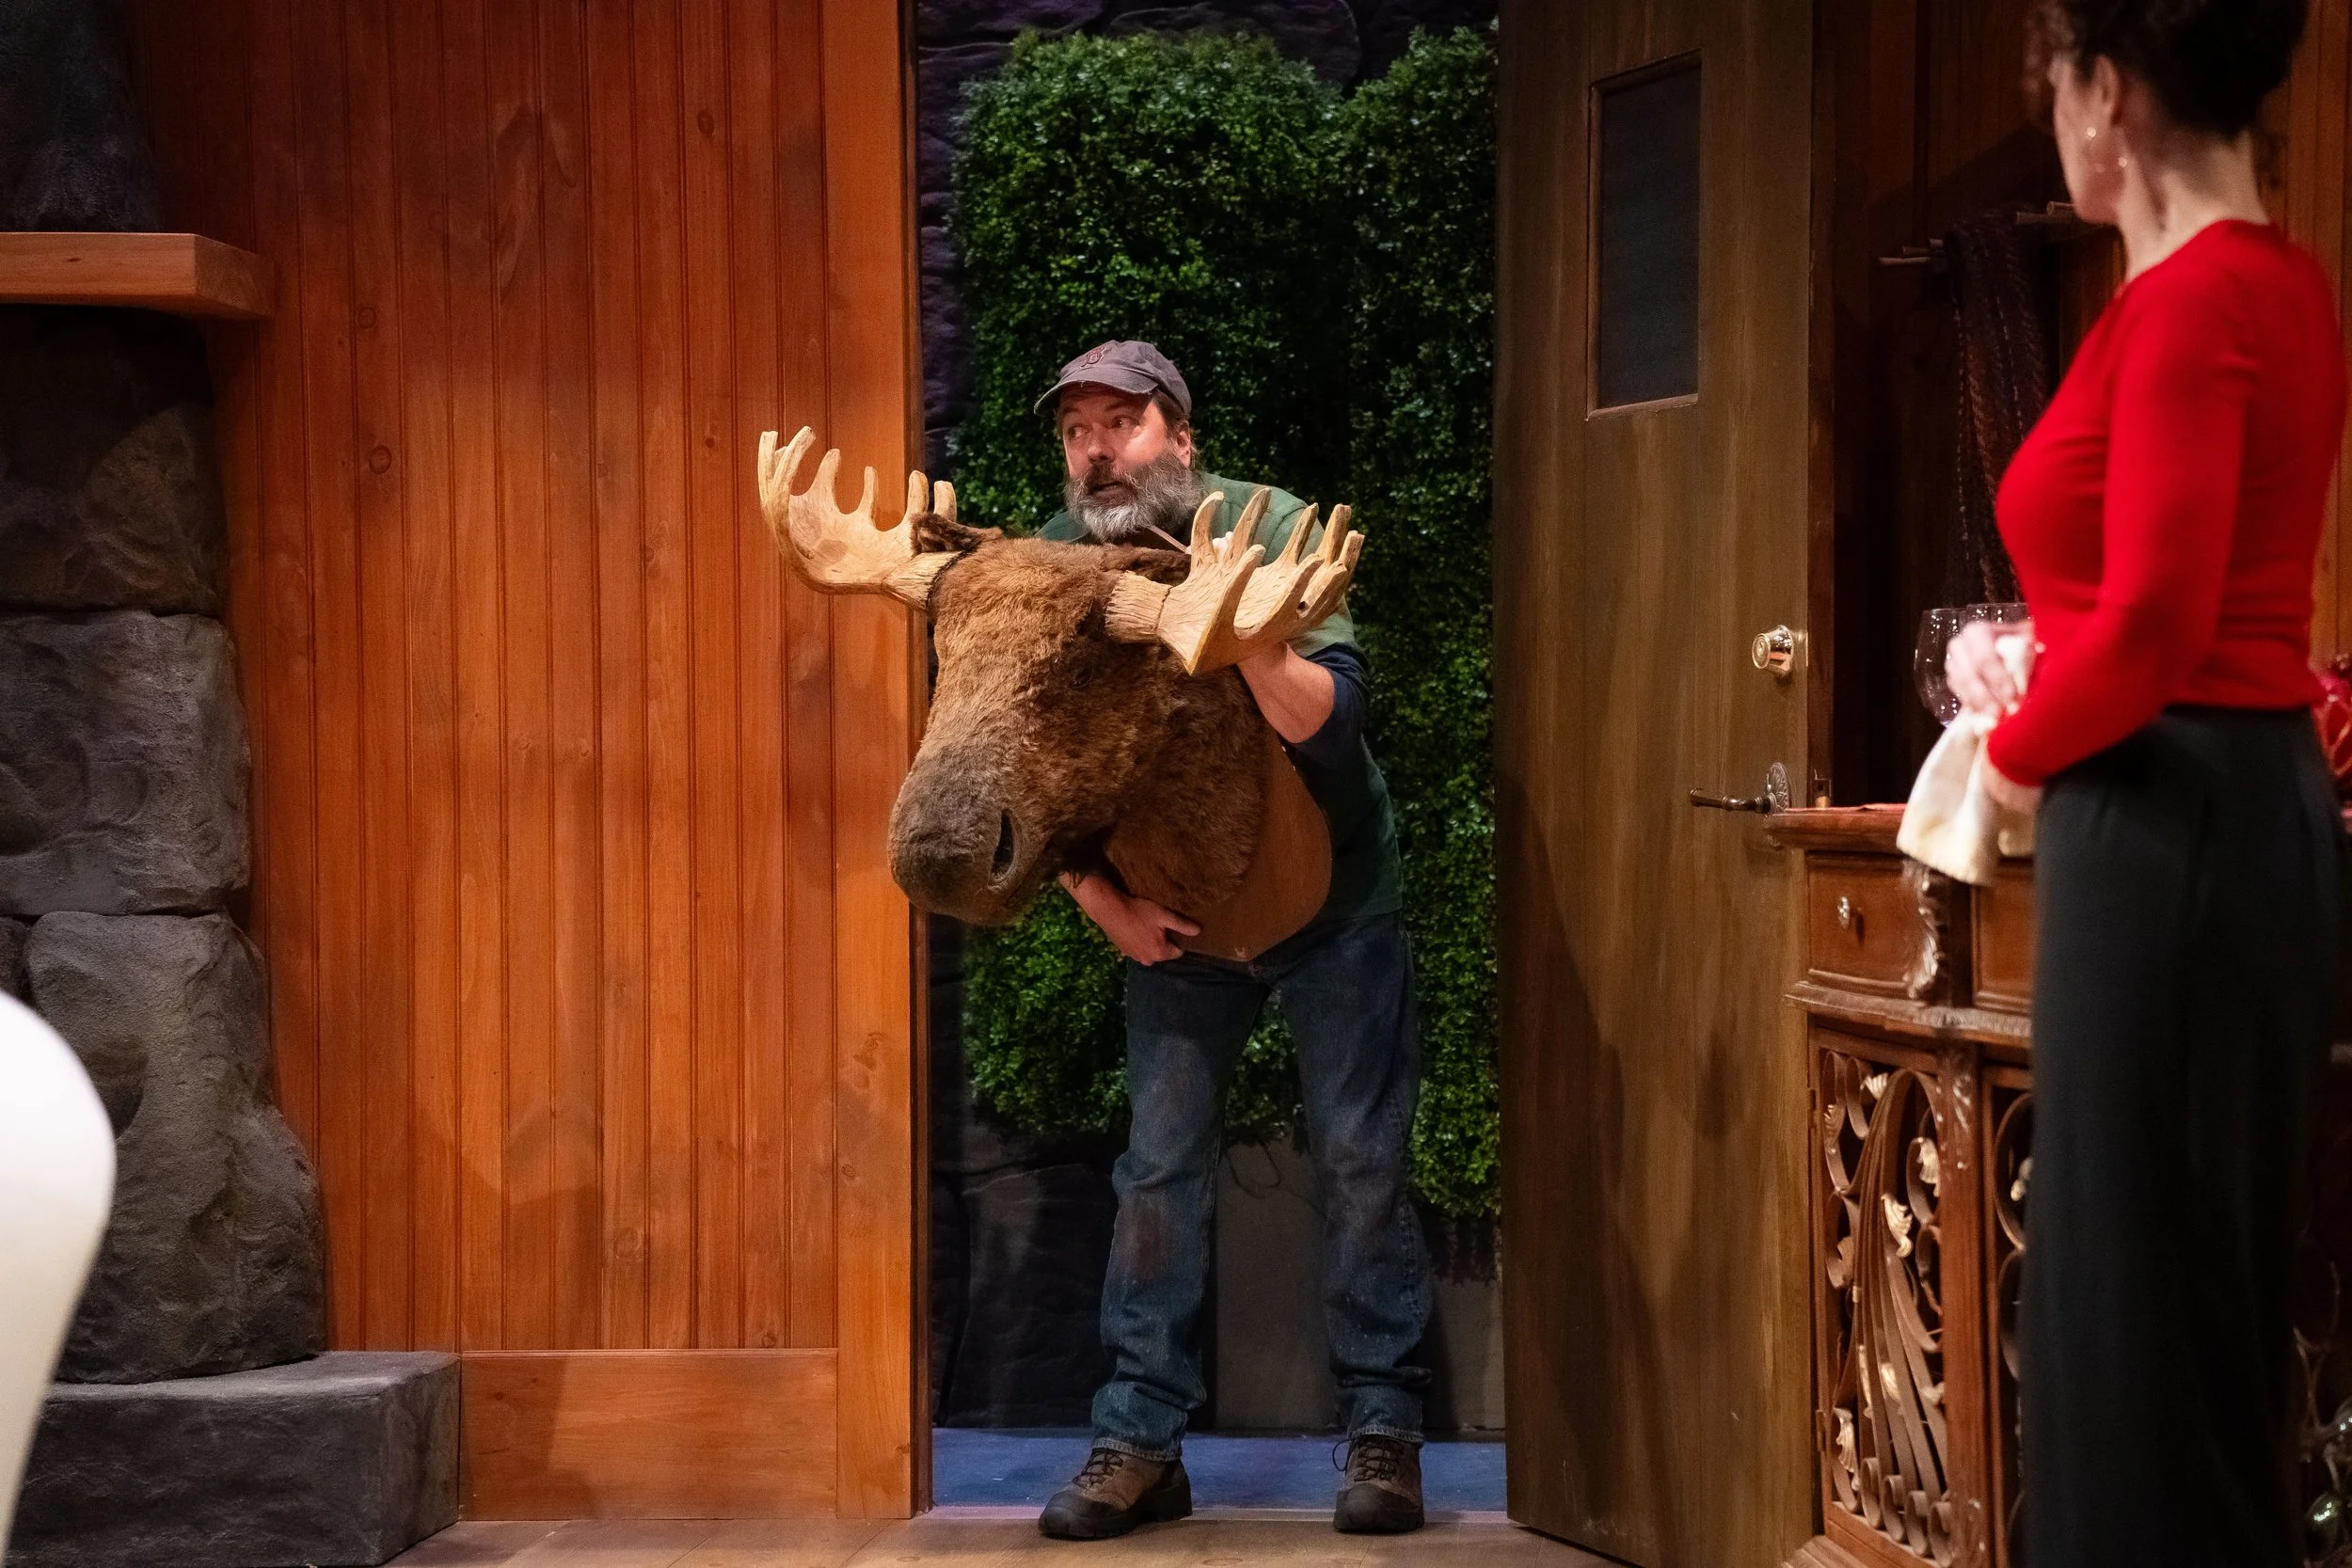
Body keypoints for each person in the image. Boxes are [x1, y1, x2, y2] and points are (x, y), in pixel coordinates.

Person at [1946, 5, 2344, 1563]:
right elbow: (2167, 603)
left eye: (2053, 85)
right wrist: (2027, 652)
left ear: (2105, 91)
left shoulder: (2188, 302)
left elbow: (2164, 629)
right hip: (2231, 808)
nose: (2054, 118)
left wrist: (2006, 752)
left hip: (2169, 821)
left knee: (2134, 1334)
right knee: (2176, 1326)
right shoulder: (2276, 283)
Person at [1024, 341, 1432, 1541]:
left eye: (1122, 422)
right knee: (1156, 1172)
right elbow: (1021, 758)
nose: (1097, 450)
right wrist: (1100, 897)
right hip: (1179, 915)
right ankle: (1139, 1442)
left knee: (1359, 1163)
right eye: (1077, 431)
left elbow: (1335, 724)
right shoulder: (1050, 563)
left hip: (1330, 898)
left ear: (1181, 437)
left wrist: (1248, 635)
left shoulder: (1270, 524)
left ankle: (1384, 1428)